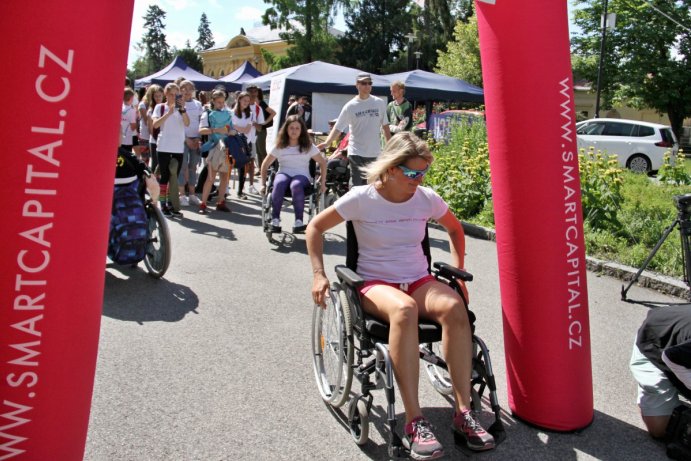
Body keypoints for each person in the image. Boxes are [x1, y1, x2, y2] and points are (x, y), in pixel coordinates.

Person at [307, 132, 495, 459]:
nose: (418, 180)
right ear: (392, 169)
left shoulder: (426, 198)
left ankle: (463, 414)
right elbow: (315, 228)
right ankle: (413, 421)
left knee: (454, 306)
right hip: (374, 284)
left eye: (423, 173)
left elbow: (455, 228)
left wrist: (458, 272)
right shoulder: (361, 198)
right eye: (412, 173)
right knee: (404, 310)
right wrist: (319, 274)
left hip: (418, 279)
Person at [317, 73, 391, 187]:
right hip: (356, 152)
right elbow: (338, 127)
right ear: (357, 85)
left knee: (373, 187)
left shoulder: (379, 103)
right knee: (357, 186)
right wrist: (327, 142)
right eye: (364, 83)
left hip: (374, 153)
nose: (367, 86)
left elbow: (385, 126)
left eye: (369, 83)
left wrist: (390, 146)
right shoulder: (350, 106)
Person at [630, 305, 691, 438]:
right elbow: (671, 356)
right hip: (655, 343)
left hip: (680, 343)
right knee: (661, 429)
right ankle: (651, 388)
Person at [260, 115, 326, 233]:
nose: (294, 131)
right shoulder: (279, 146)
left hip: (302, 175)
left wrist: (322, 182)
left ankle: (299, 222)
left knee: (295, 185)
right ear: (286, 129)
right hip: (284, 172)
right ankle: (275, 220)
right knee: (279, 183)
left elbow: (322, 163)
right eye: (291, 128)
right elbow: (265, 164)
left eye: (297, 128)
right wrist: (263, 184)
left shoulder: (308, 146)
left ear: (301, 130)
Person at [152, 82, 189, 218]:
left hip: (178, 147)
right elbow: (155, 124)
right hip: (164, 146)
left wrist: (182, 110)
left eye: (176, 95)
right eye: (171, 94)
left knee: (174, 177)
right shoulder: (160, 107)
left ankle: (172, 204)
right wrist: (168, 113)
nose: (174, 97)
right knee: (165, 177)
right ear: (166, 94)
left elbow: (187, 123)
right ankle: (163, 204)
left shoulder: (182, 109)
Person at [198, 90, 235, 214]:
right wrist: (217, 130)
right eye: (219, 102)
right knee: (211, 177)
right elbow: (201, 131)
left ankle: (220, 202)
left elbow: (232, 129)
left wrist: (230, 132)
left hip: (226, 147)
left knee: (224, 177)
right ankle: (203, 204)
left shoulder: (228, 113)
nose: (221, 104)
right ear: (213, 101)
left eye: (223, 102)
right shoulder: (207, 114)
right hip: (214, 147)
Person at [177, 80, 204, 207]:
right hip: (182, 139)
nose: (187, 91)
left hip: (195, 139)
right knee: (182, 166)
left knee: (193, 167)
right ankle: (182, 194)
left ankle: (192, 194)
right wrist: (185, 138)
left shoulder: (198, 104)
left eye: (189, 88)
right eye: (184, 88)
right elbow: (177, 123)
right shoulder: (178, 104)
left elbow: (200, 121)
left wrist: (198, 138)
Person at [232, 91, 258, 199]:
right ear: (239, 100)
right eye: (244, 100)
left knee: (243, 168)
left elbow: (247, 130)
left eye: (248, 101)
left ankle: (240, 191)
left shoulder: (250, 114)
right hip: (233, 141)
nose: (246, 103)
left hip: (245, 143)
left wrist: (238, 128)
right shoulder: (231, 112)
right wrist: (239, 129)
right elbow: (232, 126)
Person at [254, 87, 276, 169]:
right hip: (255, 129)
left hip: (261, 130)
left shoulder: (262, 103)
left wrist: (265, 122)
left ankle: (267, 168)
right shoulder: (253, 103)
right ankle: (260, 168)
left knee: (262, 150)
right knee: (258, 151)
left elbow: (273, 113)